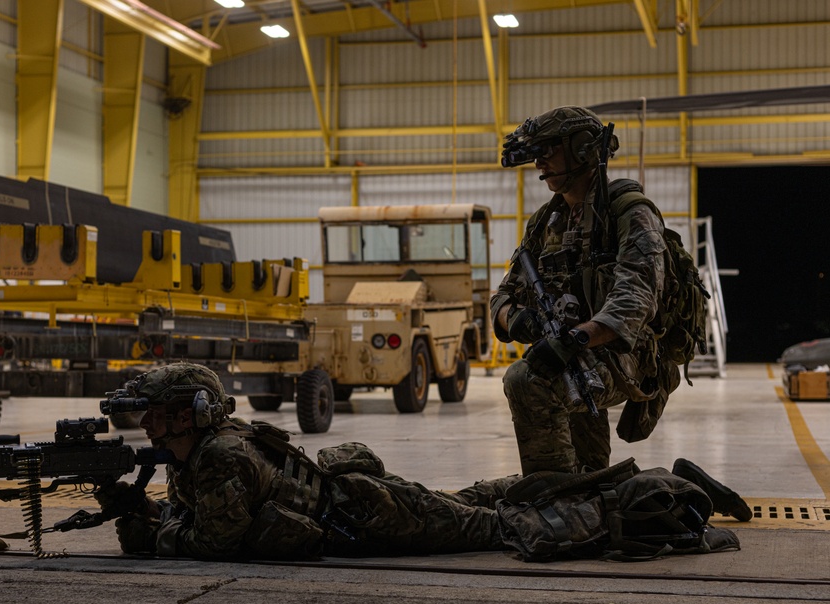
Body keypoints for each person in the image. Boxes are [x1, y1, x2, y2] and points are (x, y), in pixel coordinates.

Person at [95, 362, 748, 562]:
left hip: (372, 516)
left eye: (157, 411)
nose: (147, 422)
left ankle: (651, 497)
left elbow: (213, 537)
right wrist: (147, 513)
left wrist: (148, 526)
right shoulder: (205, 450)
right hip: (364, 500)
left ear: (189, 414)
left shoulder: (218, 459)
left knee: (504, 526)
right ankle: (645, 476)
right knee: (488, 498)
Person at [490, 105, 678, 477]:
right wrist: (518, 320)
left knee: (527, 381)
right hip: (571, 349)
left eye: (548, 150)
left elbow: (635, 299)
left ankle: (555, 501)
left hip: (626, 354)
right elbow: (502, 295)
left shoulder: (629, 212)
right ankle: (593, 492)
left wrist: (575, 339)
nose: (539, 162)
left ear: (581, 149)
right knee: (590, 468)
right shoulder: (546, 221)